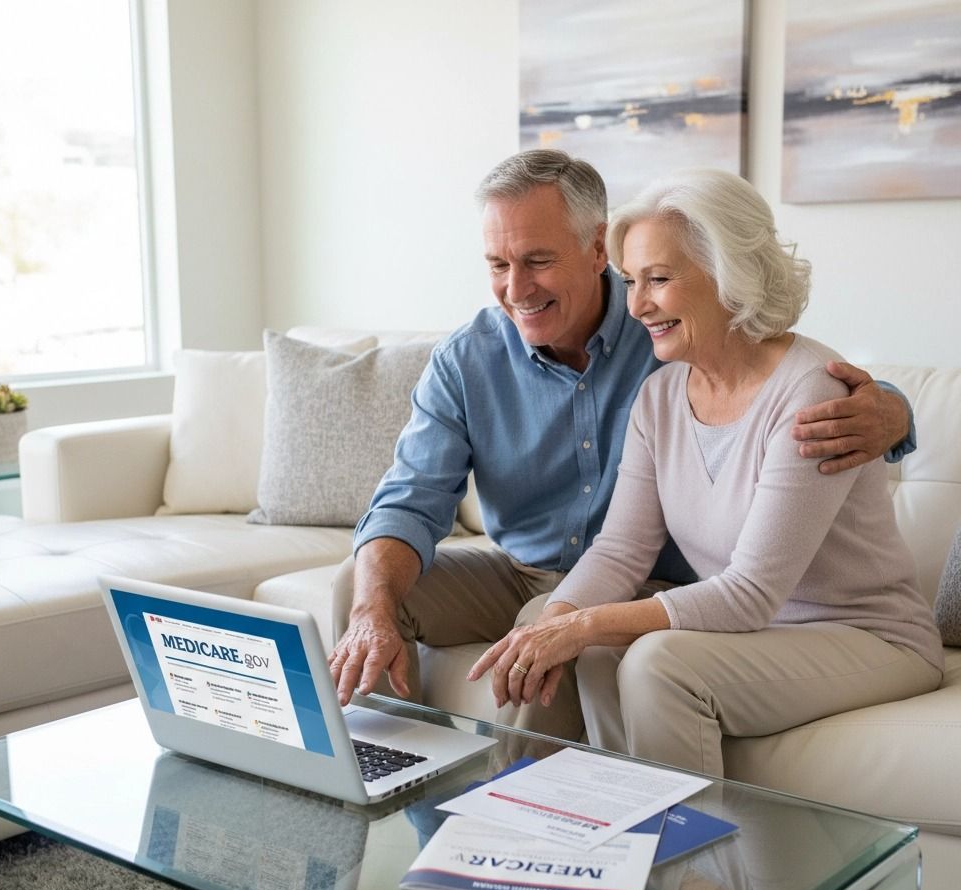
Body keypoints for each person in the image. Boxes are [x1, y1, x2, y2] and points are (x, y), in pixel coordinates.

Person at [328, 150, 915, 743]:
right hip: (534, 569)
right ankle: (387, 784)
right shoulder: (631, 379)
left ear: (595, 250)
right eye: (498, 263)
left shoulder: (674, 336)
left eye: (537, 260)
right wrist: (375, 609)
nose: (516, 288)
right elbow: (415, 500)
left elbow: (789, 376)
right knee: (363, 585)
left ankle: (519, 813)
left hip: (683, 594)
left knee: (579, 649)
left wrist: (893, 408)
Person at [467, 167, 944, 778]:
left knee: (653, 662)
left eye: (659, 280)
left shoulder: (812, 392)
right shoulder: (661, 398)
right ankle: (595, 837)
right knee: (581, 643)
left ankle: (690, 869)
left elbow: (749, 595)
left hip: (867, 636)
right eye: (632, 281)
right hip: (753, 635)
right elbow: (619, 552)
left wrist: (583, 623)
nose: (637, 305)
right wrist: (560, 621)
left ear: (729, 275)